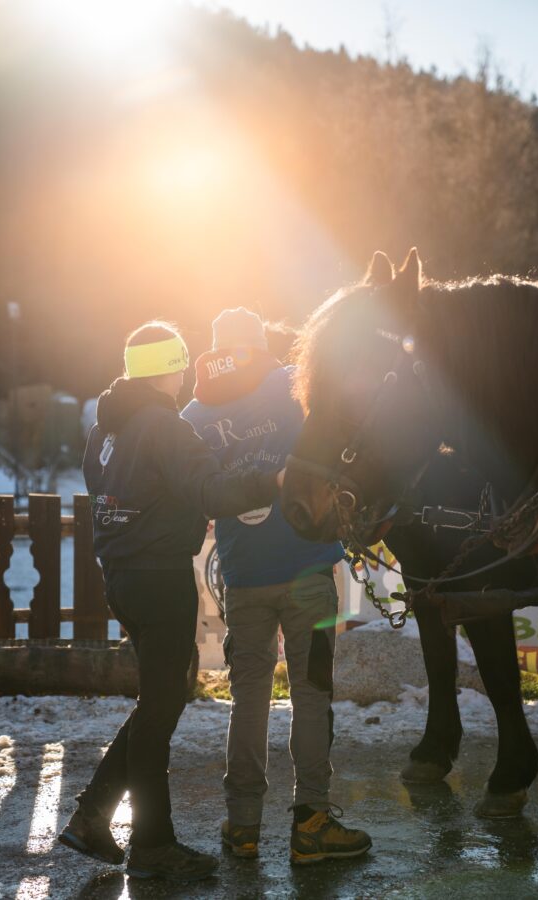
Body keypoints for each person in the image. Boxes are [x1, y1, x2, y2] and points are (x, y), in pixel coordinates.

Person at [58, 321, 281, 883]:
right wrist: (271, 482)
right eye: (181, 366)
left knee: (156, 702)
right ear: (172, 368)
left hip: (121, 579)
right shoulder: (166, 426)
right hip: (160, 581)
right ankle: (152, 845)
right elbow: (211, 491)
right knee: (160, 711)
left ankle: (92, 815)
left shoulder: (105, 430)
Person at [182, 307, 372, 865]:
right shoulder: (294, 383)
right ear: (260, 343)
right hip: (308, 570)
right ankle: (312, 824)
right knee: (312, 694)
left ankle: (243, 825)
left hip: (243, 578)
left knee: (248, 697)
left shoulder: (195, 413)